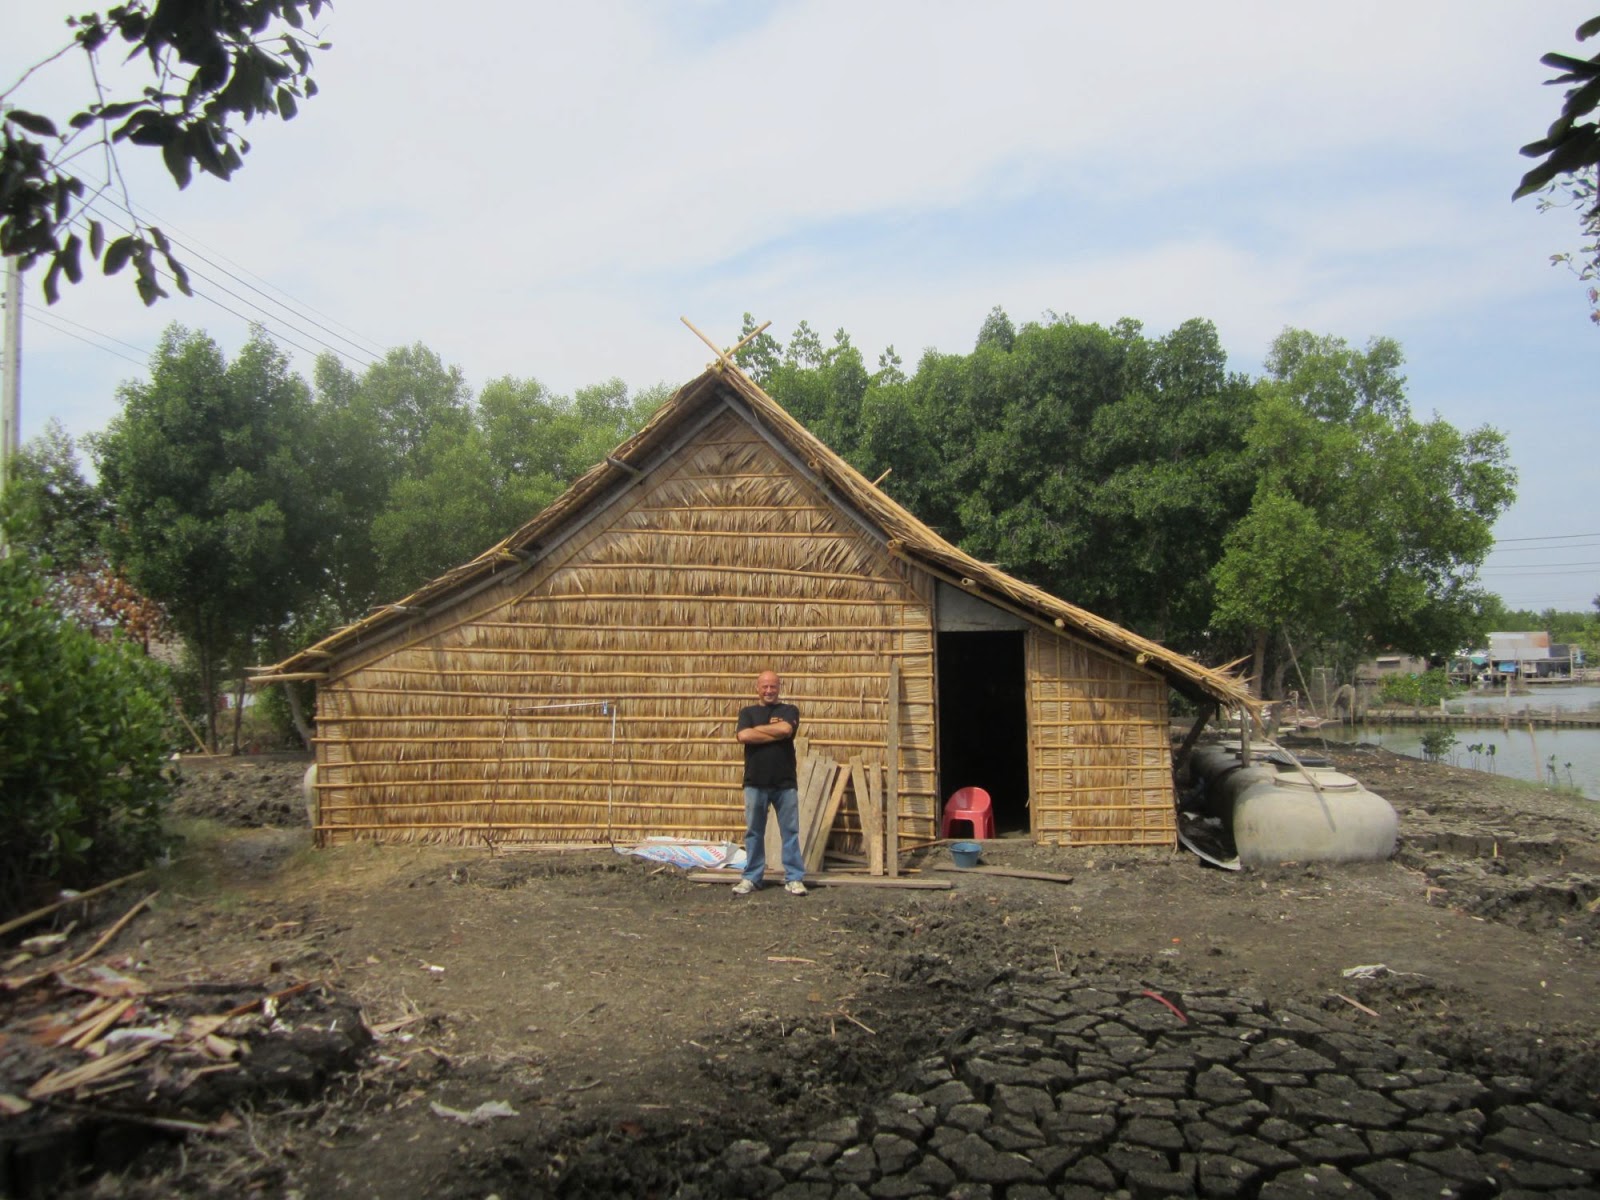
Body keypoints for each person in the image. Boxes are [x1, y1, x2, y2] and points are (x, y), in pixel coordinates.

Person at [733, 670, 807, 896]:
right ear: (757, 688)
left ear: (779, 688)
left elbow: (786, 729)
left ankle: (794, 878)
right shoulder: (747, 712)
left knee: (790, 832)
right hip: (755, 781)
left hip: (785, 782)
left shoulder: (789, 710)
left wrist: (757, 731)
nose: (768, 691)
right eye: (764, 686)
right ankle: (752, 877)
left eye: (773, 686)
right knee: (754, 832)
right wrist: (773, 734)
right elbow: (743, 736)